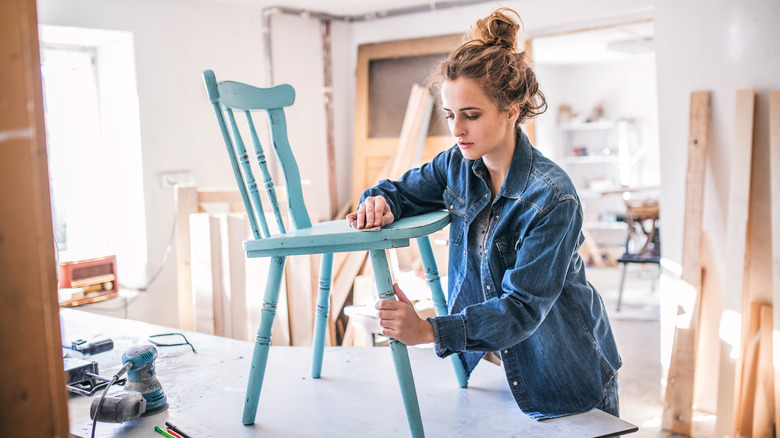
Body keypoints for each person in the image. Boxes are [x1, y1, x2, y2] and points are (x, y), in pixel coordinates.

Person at [346, 8, 621, 420]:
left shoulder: (552, 197)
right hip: (501, 373)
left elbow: (521, 310)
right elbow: (399, 191)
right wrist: (378, 202)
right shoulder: (455, 164)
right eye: (450, 115)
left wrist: (428, 330)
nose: (457, 130)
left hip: (567, 378)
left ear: (511, 110)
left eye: (471, 115)